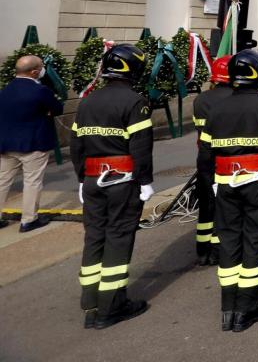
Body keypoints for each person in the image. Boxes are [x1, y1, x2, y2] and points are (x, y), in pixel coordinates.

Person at [200, 49, 258, 332]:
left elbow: (205, 152)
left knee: (228, 240)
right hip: (257, 181)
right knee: (255, 238)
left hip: (226, 182)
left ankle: (228, 307)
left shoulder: (216, 109)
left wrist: (213, 180)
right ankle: (247, 307)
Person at [70, 44, 155, 329]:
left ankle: (91, 302)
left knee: (95, 237)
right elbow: (140, 146)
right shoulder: (135, 102)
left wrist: (82, 178)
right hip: (122, 179)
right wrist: (145, 181)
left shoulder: (87, 102)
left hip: (93, 179)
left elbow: (77, 145)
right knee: (119, 237)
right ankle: (111, 306)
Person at [0, 54, 63, 232]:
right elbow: (57, 108)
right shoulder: (40, 91)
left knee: (2, 181)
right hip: (34, 143)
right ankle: (28, 219)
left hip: (6, 143)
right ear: (35, 72)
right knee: (32, 182)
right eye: (41, 67)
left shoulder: (6, 89)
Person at [191, 55, 233, 265]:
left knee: (206, 204)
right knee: (222, 207)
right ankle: (217, 250)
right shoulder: (234, 98)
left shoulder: (200, 100)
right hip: (227, 158)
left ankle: (202, 249)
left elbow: (200, 130)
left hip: (205, 158)